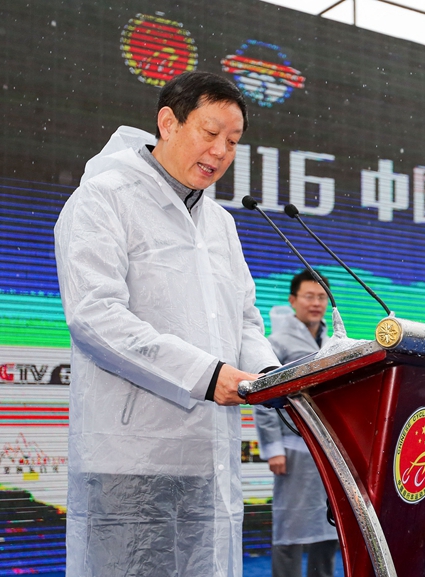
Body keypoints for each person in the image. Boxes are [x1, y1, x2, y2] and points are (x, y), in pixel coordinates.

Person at [54, 71, 279, 577]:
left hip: (210, 455)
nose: (221, 151)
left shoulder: (222, 223)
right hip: (131, 457)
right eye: (210, 132)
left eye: (234, 141)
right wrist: (208, 375)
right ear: (168, 123)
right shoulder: (104, 197)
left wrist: (270, 378)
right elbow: (95, 316)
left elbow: (244, 321)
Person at [254, 270, 339, 577]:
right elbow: (265, 398)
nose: (316, 303)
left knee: (329, 526)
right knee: (290, 528)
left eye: (321, 297)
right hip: (292, 450)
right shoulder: (274, 342)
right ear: (293, 300)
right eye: (309, 296)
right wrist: (273, 449)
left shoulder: (335, 341)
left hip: (329, 451)